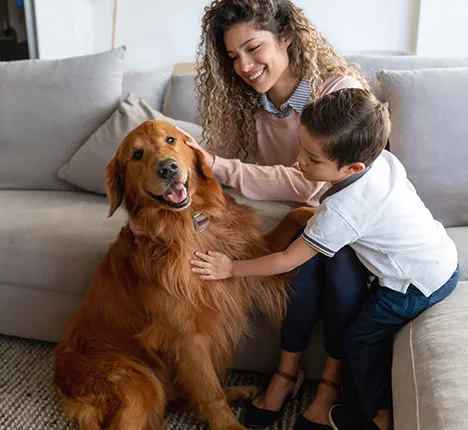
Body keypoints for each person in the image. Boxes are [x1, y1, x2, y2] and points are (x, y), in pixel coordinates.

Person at [190, 88, 460, 430]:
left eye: (313, 159)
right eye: (302, 148)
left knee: (361, 339)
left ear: (354, 167)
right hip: (440, 256)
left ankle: (377, 415)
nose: (299, 162)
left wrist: (231, 267)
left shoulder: (342, 213)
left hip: (414, 284)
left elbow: (286, 260)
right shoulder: (385, 162)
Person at [174, 0, 371, 428]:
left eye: (253, 47)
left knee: (331, 263)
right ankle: (288, 372)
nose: (244, 66)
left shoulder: (338, 92)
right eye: (232, 56)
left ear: (285, 36)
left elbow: (319, 186)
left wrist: (223, 168)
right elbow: (214, 177)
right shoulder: (245, 105)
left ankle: (324, 385)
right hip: (301, 221)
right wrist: (198, 215)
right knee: (298, 249)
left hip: (351, 221)